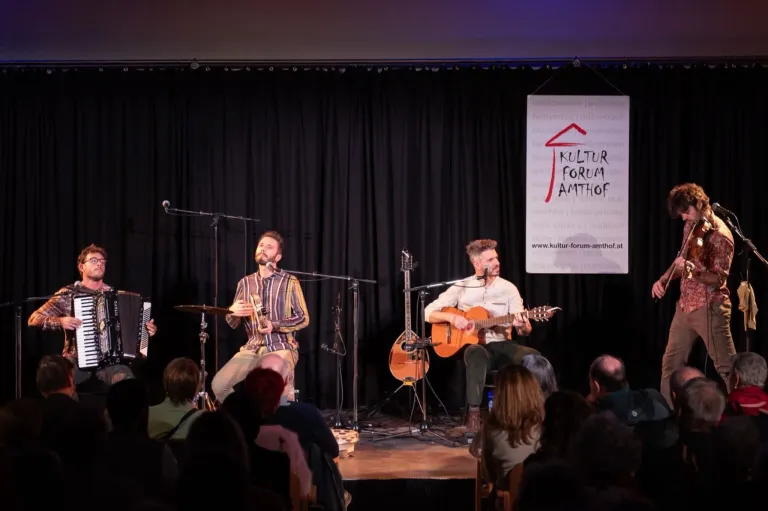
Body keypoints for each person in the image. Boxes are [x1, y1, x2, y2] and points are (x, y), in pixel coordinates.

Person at [424, 238, 538, 432]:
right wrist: (452, 318)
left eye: (497, 258)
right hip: (474, 347)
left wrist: (523, 324)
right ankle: (474, 418)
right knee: (476, 353)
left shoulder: (508, 288)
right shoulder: (462, 286)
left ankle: (534, 415)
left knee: (533, 357)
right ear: (477, 263)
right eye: (491, 260)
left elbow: (523, 330)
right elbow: (427, 312)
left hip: (503, 345)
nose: (497, 263)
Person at [652, 183, 737, 407]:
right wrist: (663, 279)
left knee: (727, 368)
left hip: (710, 308)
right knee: (670, 364)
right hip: (685, 306)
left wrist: (694, 271)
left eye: (686, 211)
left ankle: (741, 416)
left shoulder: (721, 235)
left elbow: (719, 278)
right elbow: (681, 260)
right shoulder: (691, 224)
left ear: (700, 204)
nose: (684, 218)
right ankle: (667, 416)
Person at [28, 244, 157, 386]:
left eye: (102, 261)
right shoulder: (68, 294)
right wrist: (60, 321)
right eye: (94, 260)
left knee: (128, 383)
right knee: (60, 381)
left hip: (110, 363)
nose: (99, 264)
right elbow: (34, 319)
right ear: (82, 267)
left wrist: (145, 332)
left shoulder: (113, 295)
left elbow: (129, 331)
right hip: (75, 360)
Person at [212, 230, 310, 403]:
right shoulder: (245, 282)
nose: (263, 249)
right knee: (219, 385)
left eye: (269, 247)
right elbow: (233, 323)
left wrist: (275, 325)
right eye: (261, 245)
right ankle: (244, 417)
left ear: (278, 257)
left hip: (281, 346)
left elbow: (303, 317)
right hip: (252, 348)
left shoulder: (289, 281)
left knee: (277, 389)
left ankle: (283, 423)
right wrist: (232, 311)